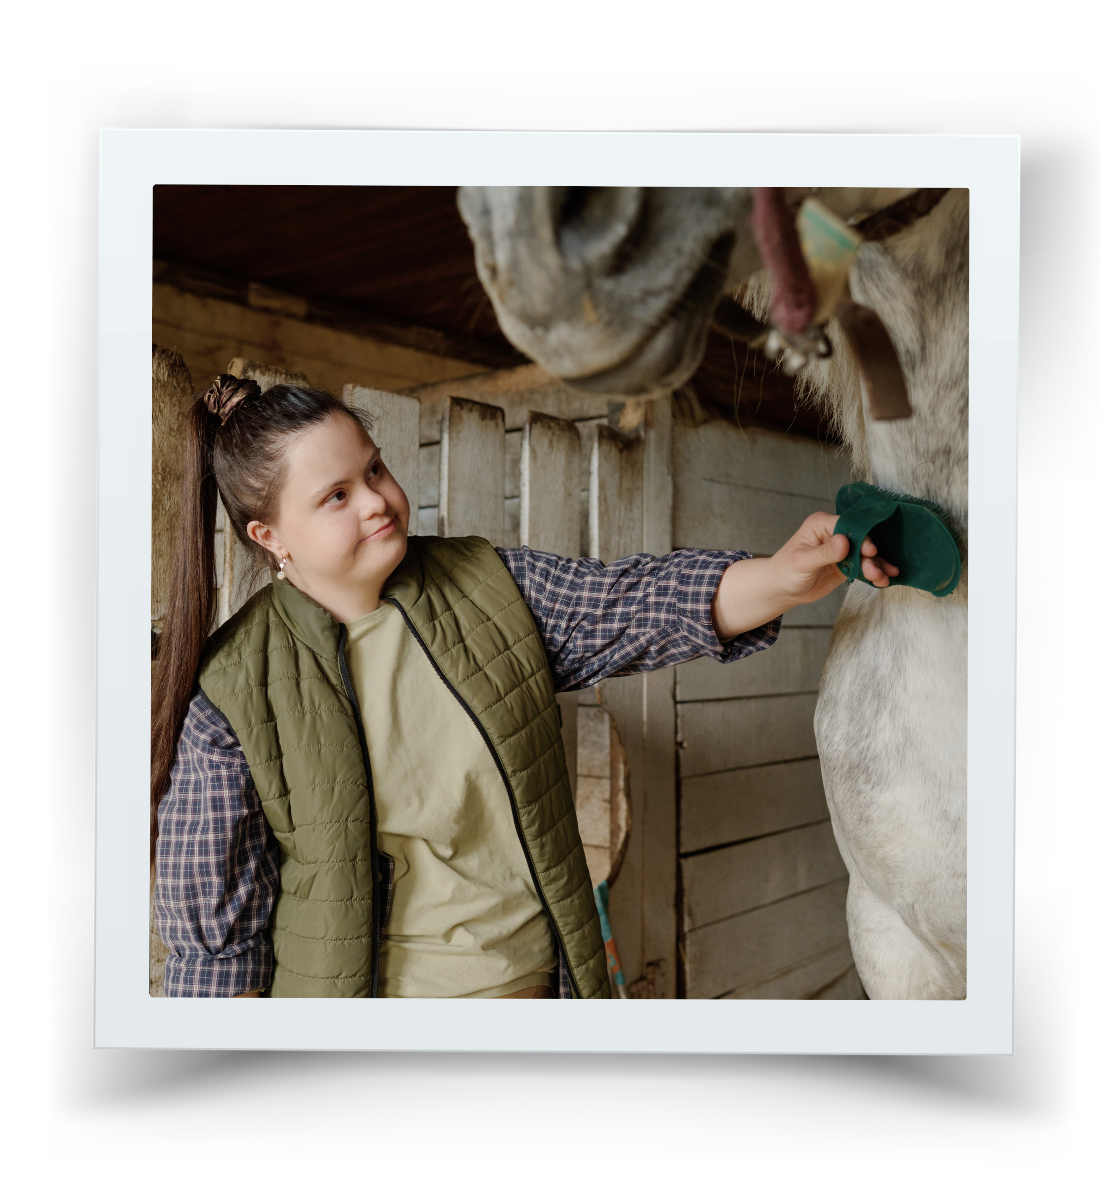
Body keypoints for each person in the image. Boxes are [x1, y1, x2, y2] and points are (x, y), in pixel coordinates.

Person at [152, 375, 897, 999]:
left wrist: (781, 577)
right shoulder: (231, 690)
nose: (377, 499)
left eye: (374, 470)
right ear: (269, 537)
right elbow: (215, 952)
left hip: (550, 989)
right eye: (335, 496)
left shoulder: (490, 587)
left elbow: (630, 606)